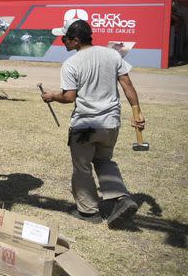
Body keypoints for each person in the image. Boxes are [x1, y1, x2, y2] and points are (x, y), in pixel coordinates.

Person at [41, 19, 143, 226]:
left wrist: (52, 96)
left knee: (82, 167)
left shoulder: (71, 64)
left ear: (76, 40)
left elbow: (69, 97)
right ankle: (121, 199)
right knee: (105, 161)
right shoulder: (112, 54)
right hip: (110, 123)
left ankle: (89, 212)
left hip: (85, 125)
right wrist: (137, 112)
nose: (63, 42)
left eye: (65, 39)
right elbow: (127, 85)